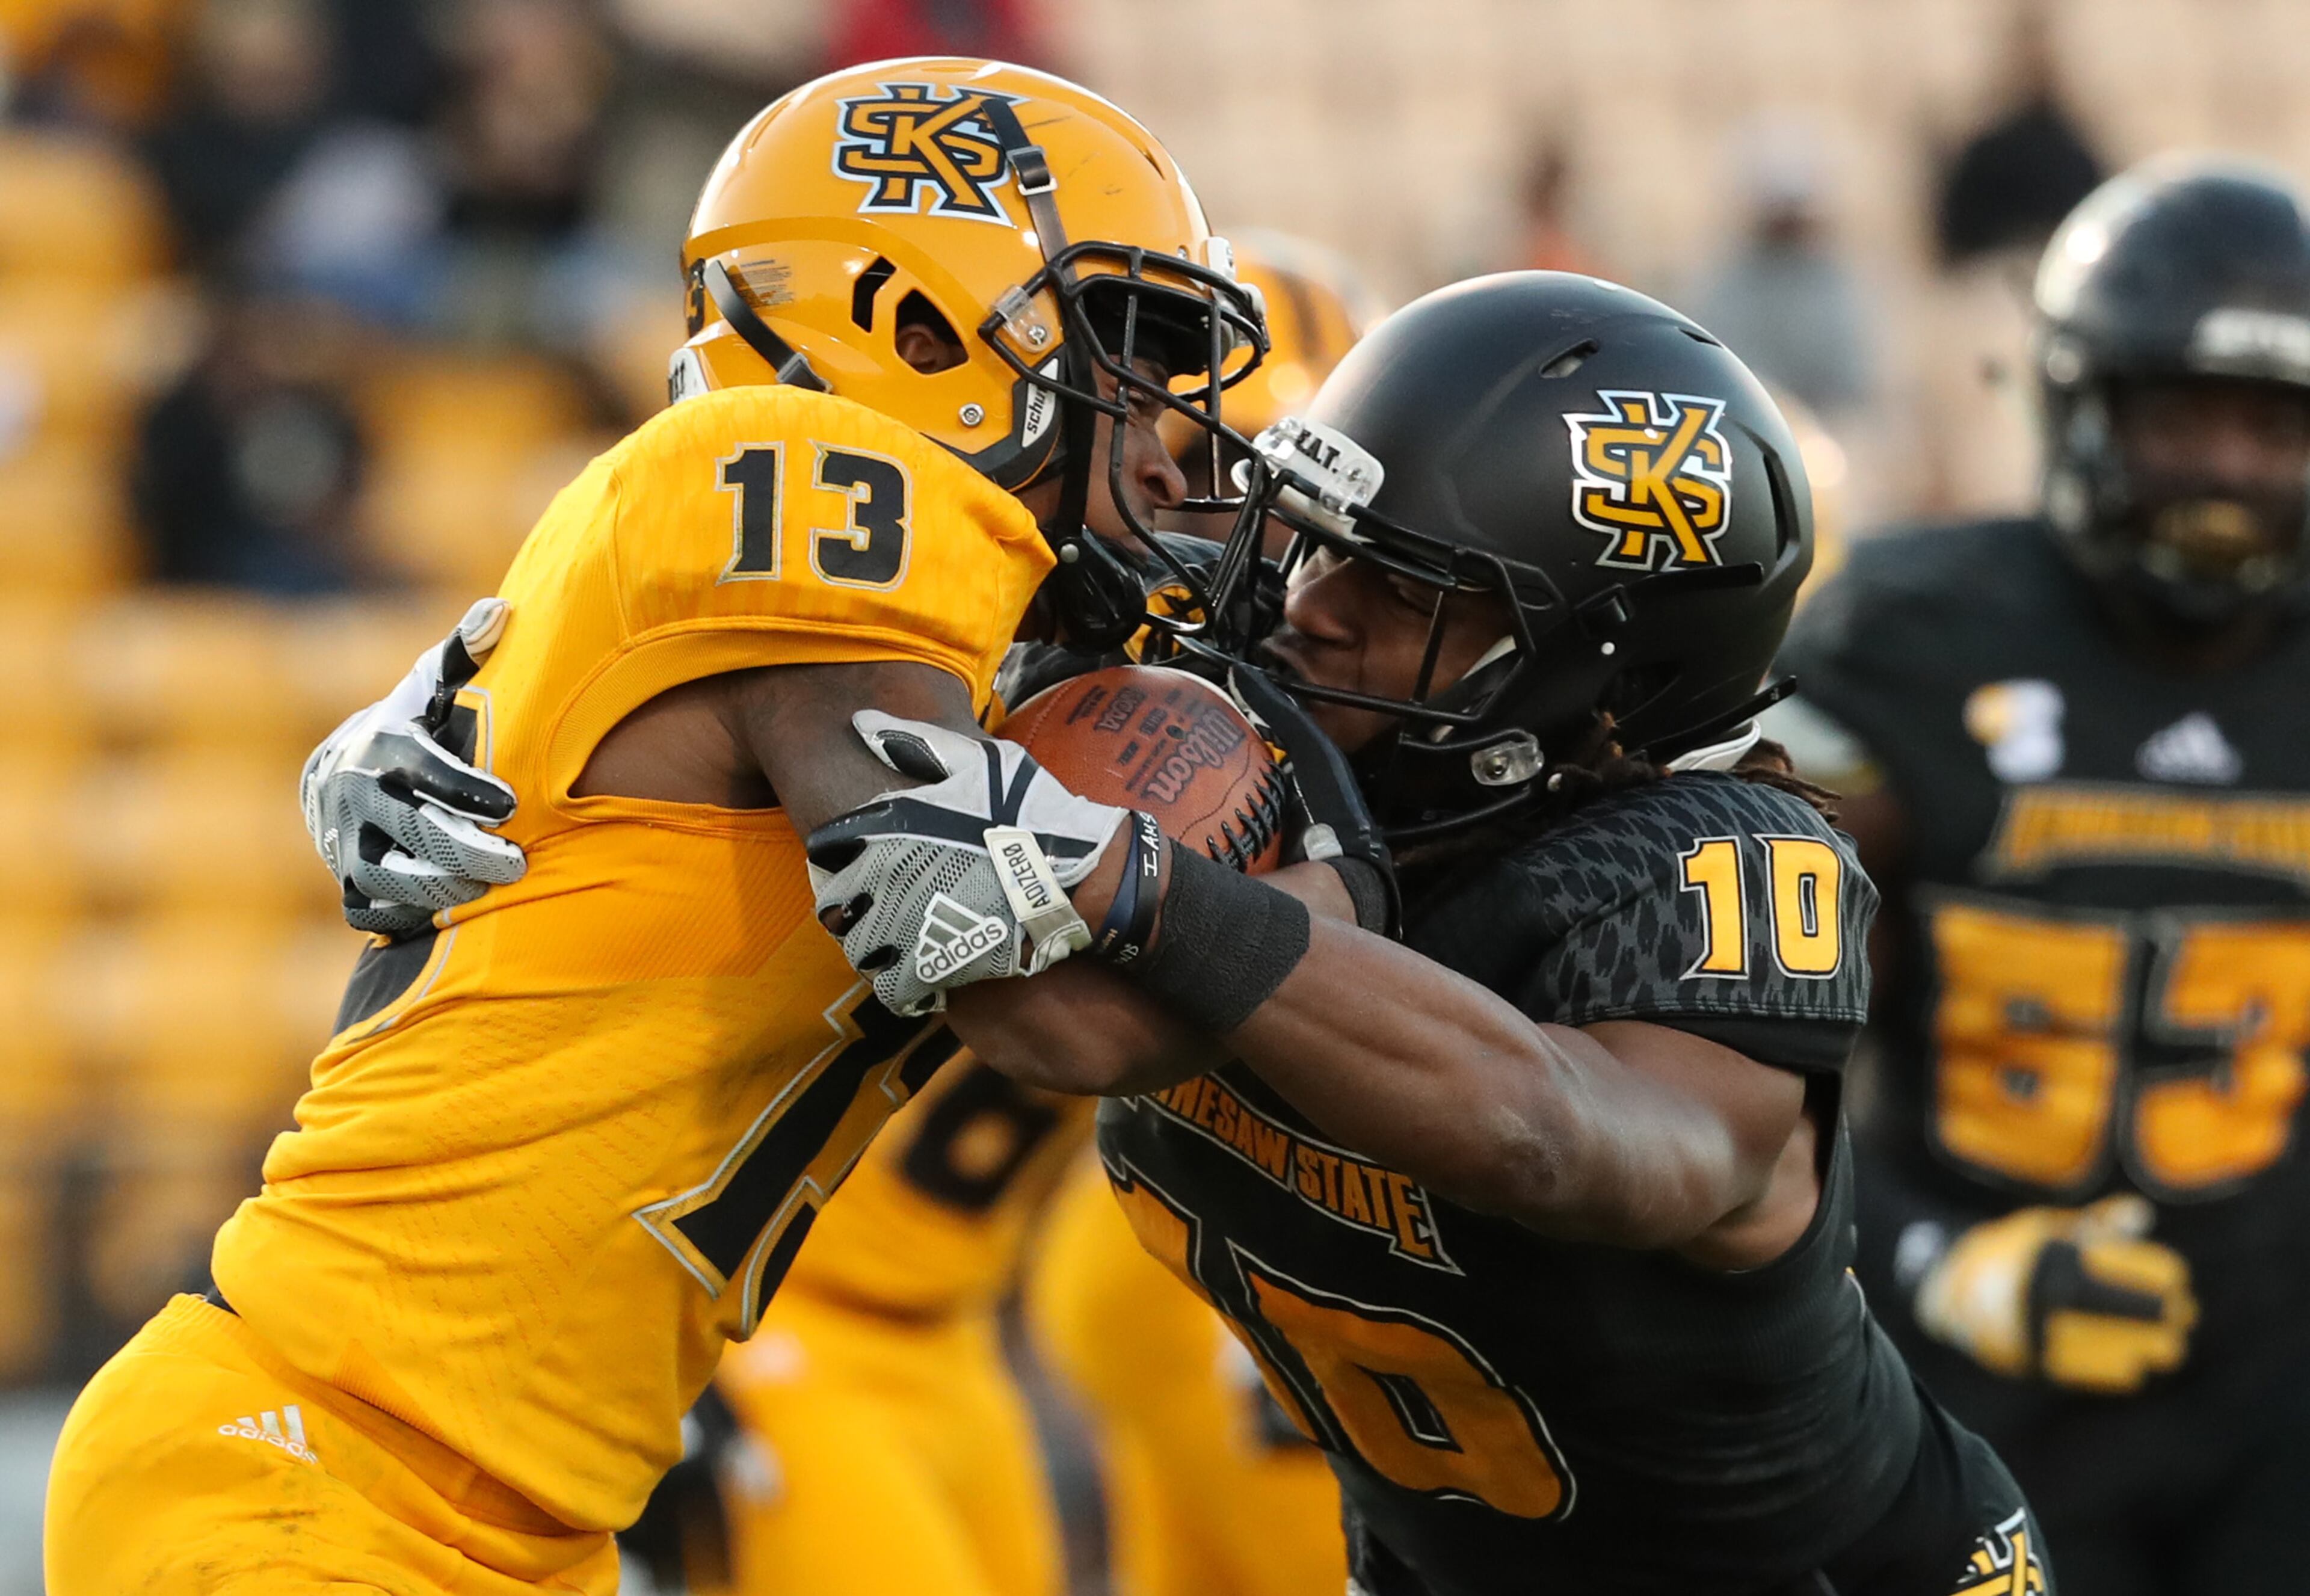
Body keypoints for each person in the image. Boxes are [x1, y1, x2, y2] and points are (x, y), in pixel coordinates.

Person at [44, 57, 1264, 1594]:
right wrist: (1307, 896)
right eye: (1124, 351)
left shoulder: (800, 563)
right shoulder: (816, 497)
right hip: (324, 1466)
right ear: (915, 322)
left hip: (506, 1504)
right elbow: (1054, 1011)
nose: (1165, 429)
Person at [840, 271, 2051, 1593]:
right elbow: (1050, 1024)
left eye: (1407, 590)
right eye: (1312, 534)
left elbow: (1563, 1136)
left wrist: (1148, 893)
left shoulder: (1710, 867)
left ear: (1597, 672)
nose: (1311, 603)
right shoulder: (1243, 732)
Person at [1777, 155, 2310, 1596]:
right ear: (2079, 406)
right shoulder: (1912, 643)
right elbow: (1730, 1055)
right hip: (1967, 1362)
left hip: (2275, 1394)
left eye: (2275, 428)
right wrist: (1939, 1258)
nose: (2233, 474)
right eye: (2186, 416)